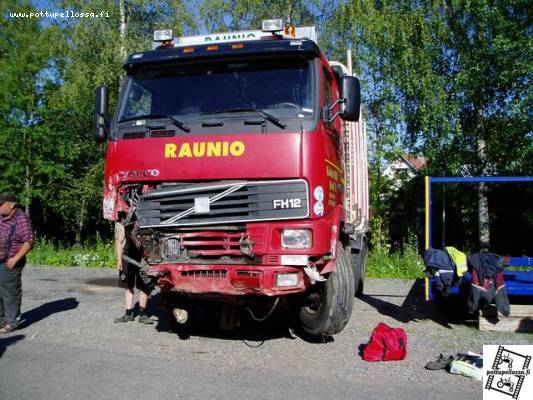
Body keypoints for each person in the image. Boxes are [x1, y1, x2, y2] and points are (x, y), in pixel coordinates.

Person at [0, 192, 34, 334]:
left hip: (10, 261)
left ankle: (13, 321)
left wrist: (14, 259)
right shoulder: (1, 218)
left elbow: (29, 241)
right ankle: (2, 320)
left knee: (10, 293)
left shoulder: (20, 218)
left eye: (1, 204)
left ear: (11, 204)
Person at [114, 221, 153, 324]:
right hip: (127, 258)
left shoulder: (146, 222)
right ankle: (128, 314)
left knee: (144, 286)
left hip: (143, 259)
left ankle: (142, 314)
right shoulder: (126, 223)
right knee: (128, 286)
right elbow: (118, 241)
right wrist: (118, 261)